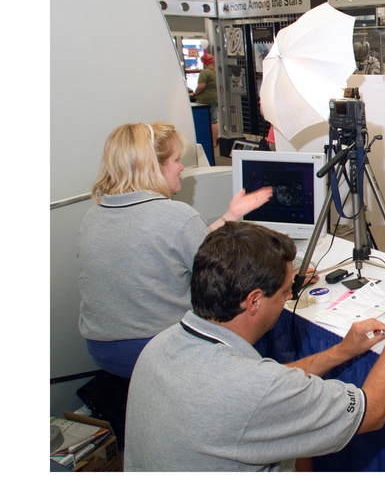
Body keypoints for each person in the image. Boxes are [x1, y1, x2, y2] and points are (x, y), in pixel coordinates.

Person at [125, 221, 385, 471]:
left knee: (301, 445)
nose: (289, 297)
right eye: (285, 292)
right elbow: (373, 410)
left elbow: (264, 387)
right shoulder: (257, 388)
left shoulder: (158, 346)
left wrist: (341, 352)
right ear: (254, 301)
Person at [78, 121, 275, 380]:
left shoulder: (93, 217)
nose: (182, 167)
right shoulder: (175, 215)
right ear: (154, 167)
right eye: (176, 160)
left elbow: (181, 244)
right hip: (156, 350)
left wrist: (230, 215)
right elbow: (226, 273)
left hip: (101, 349)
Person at [191, 51, 219, 150]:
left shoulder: (204, 72)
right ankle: (214, 142)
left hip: (204, 100)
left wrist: (194, 94)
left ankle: (206, 142)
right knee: (214, 121)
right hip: (215, 98)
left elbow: (201, 86)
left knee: (204, 121)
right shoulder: (215, 72)